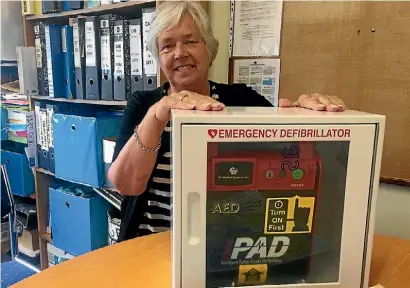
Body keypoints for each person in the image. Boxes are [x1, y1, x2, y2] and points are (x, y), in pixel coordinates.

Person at [108, 1, 346, 242]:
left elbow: (292, 154)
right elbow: (126, 186)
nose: (179, 53)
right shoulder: (143, 105)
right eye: (167, 46)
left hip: (224, 245)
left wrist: (303, 111)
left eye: (191, 41)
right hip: (152, 244)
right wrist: (157, 116)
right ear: (159, 57)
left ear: (209, 49)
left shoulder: (240, 99)